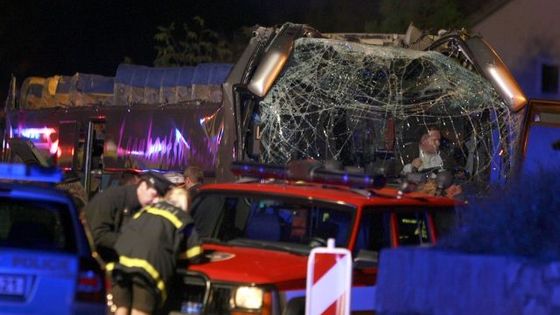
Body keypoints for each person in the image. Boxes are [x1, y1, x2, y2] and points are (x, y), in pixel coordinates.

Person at [110, 187, 203, 315]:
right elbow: (195, 253)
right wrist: (175, 254)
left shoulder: (146, 210)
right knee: (140, 310)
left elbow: (127, 230)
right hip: (146, 270)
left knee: (121, 308)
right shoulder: (184, 219)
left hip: (118, 263)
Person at [83, 171, 173, 263]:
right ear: (142, 186)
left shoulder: (146, 207)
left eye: (159, 198)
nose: (155, 201)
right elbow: (97, 235)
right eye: (153, 195)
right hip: (97, 261)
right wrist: (132, 242)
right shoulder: (111, 198)